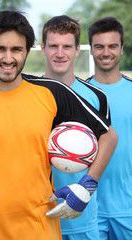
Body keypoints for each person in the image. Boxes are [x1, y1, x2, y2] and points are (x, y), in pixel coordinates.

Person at [0, 11, 118, 240]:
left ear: (27, 51)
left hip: (40, 231)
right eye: (0, 49)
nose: (8, 58)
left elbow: (108, 136)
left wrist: (86, 186)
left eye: (16, 50)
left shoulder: (51, 91)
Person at [41, 15, 116, 240]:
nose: (60, 53)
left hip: (82, 216)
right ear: (42, 48)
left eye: (67, 47)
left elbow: (107, 141)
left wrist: (86, 186)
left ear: (77, 50)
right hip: (39, 217)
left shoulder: (96, 96)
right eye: (53, 46)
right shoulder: (31, 93)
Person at [87, 16, 132, 240]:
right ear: (91, 50)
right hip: (89, 209)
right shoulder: (79, 95)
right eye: (99, 46)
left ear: (122, 48)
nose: (106, 52)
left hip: (129, 209)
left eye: (112, 46)